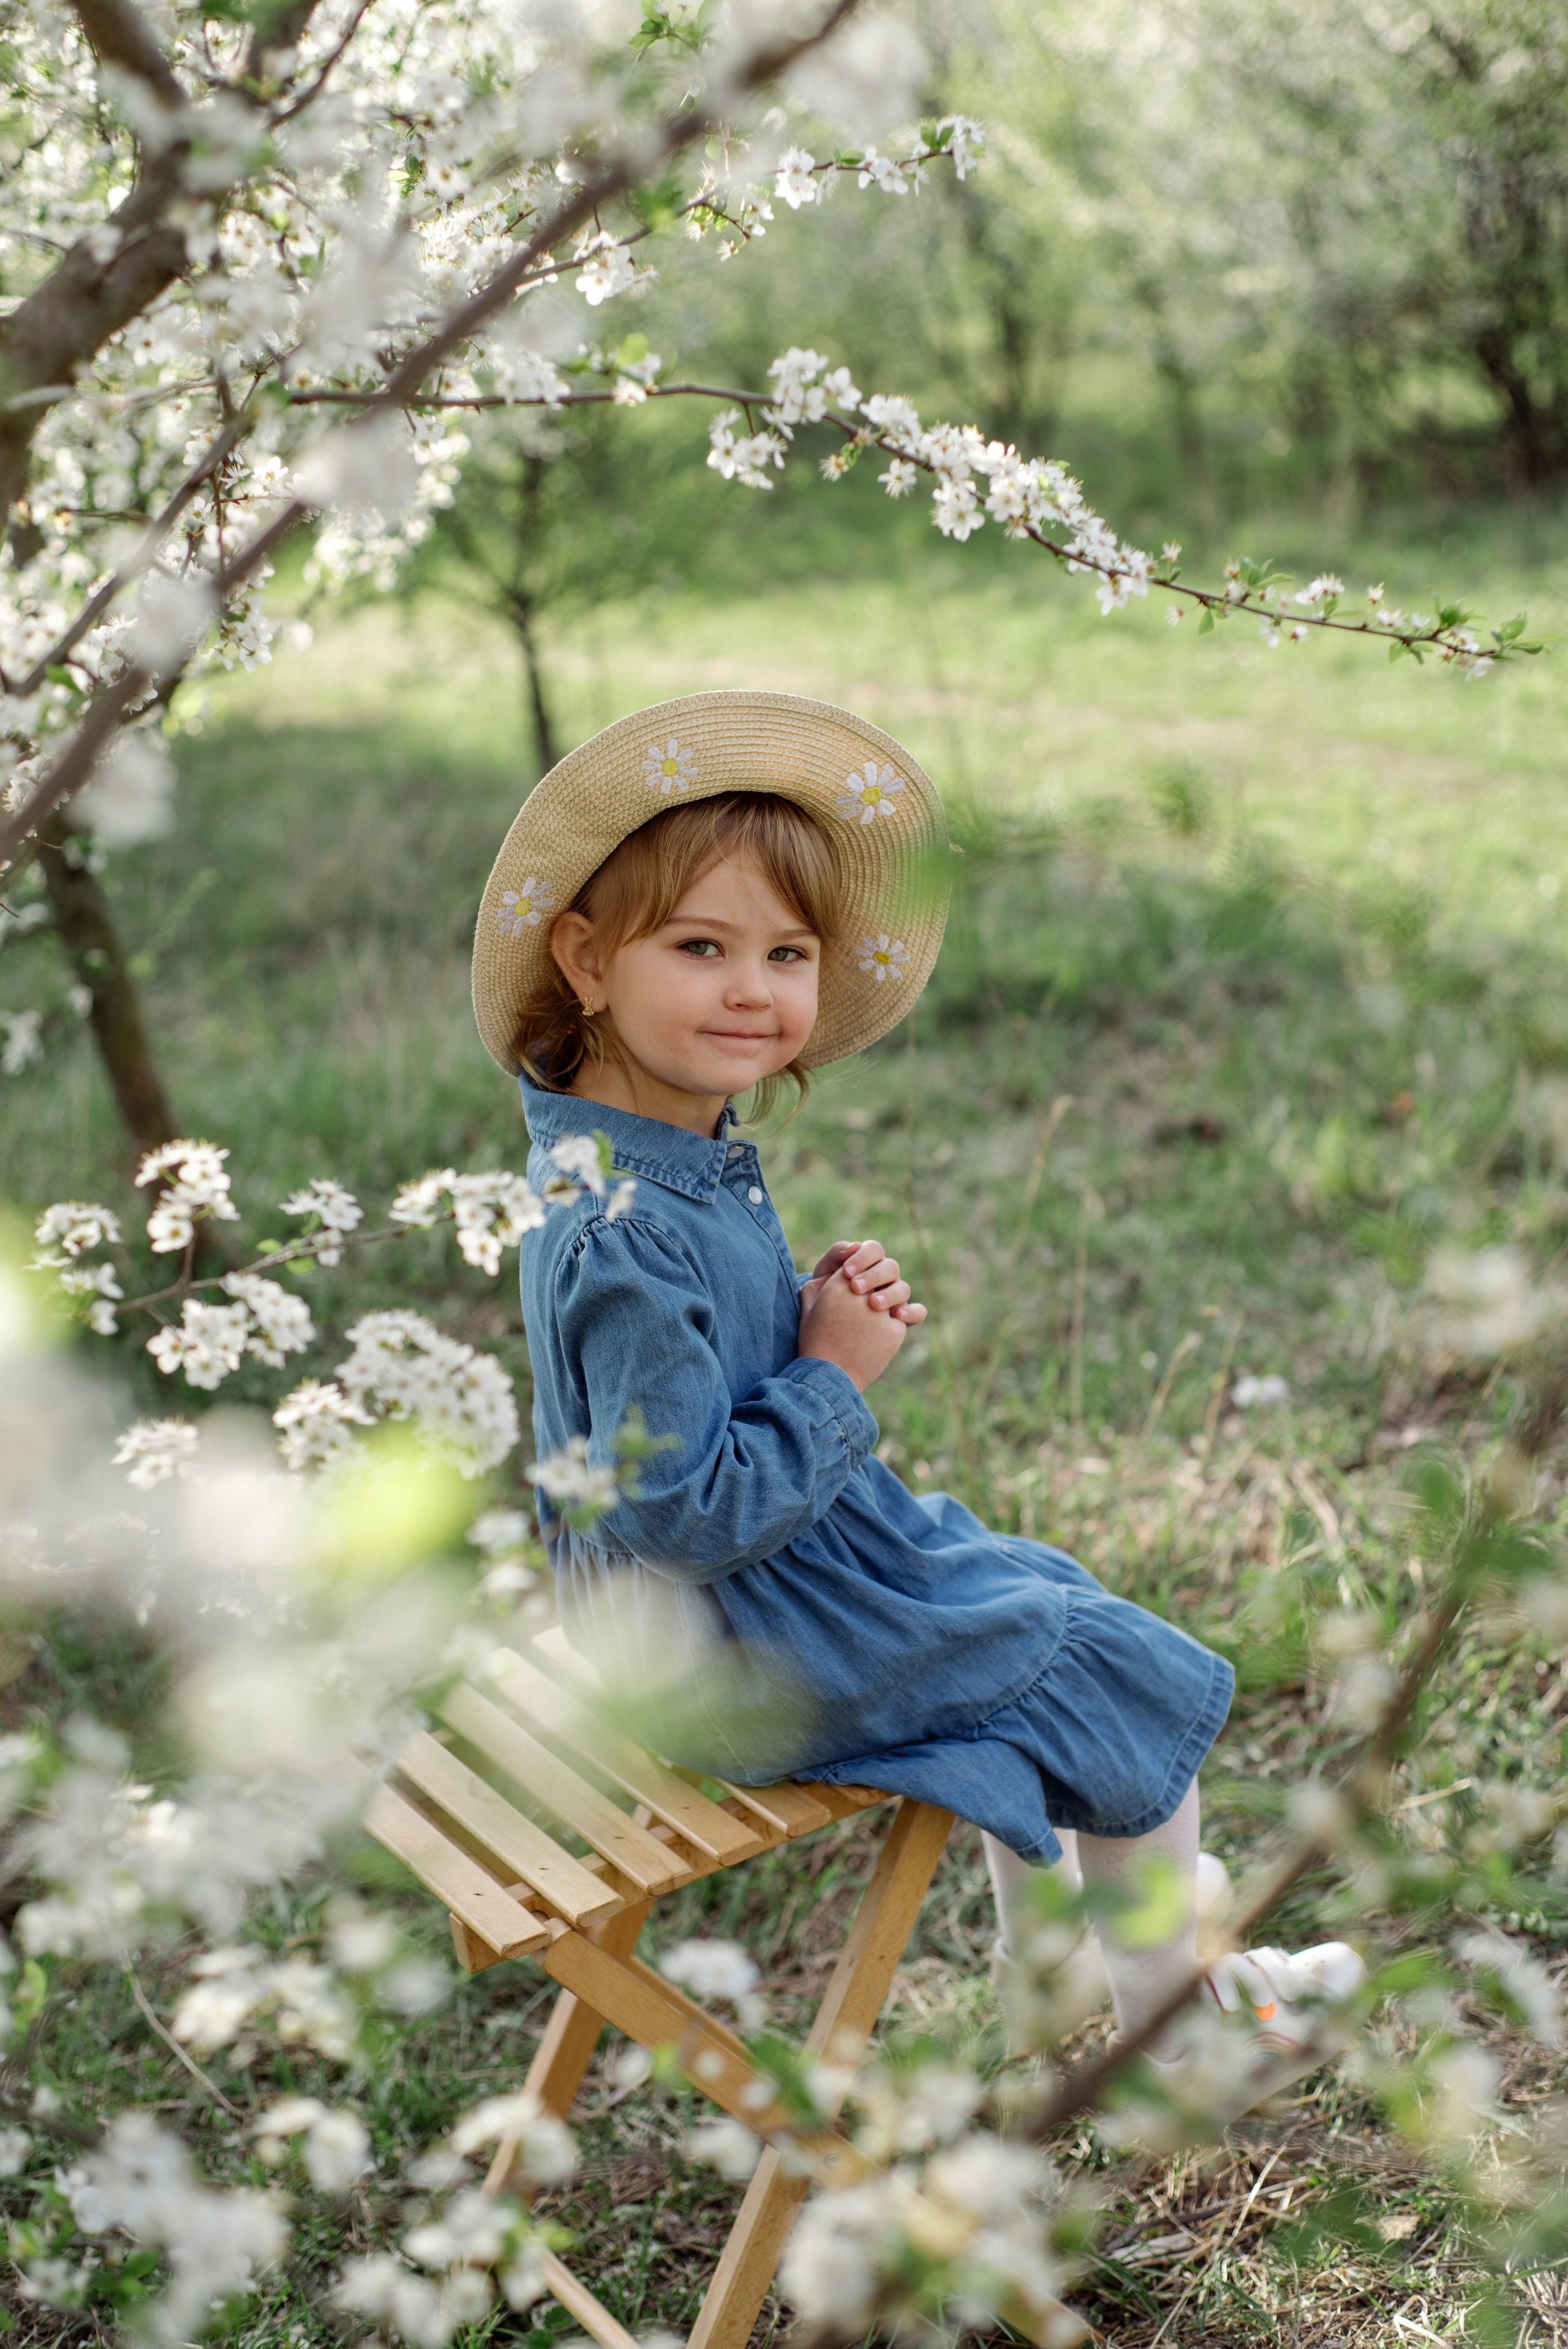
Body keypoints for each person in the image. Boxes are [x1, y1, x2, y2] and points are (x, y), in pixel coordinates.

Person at [471, 688, 1363, 2102]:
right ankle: (1170, 2023)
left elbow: (692, 1395)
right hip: (717, 1641)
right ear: (583, 958)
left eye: (786, 952)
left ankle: (1063, 1975)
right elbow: (684, 1507)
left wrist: (804, 1317)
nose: (751, 989)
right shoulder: (625, 1224)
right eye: (699, 947)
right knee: (1107, 1660)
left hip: (724, 1601)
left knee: (1033, 1589)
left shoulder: (644, 1153)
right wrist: (830, 1371)